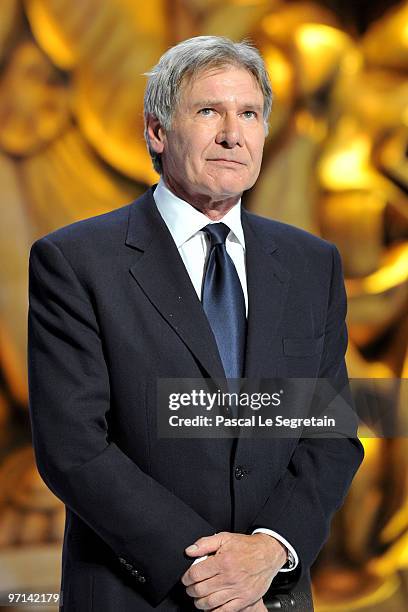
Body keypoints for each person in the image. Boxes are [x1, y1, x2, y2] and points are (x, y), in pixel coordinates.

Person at [27, 36, 364, 611]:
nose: (233, 133)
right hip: (137, 595)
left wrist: (269, 552)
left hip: (270, 595)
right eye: (210, 110)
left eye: (250, 114)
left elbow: (329, 436)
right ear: (157, 131)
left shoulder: (313, 265)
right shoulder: (75, 261)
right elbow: (75, 448)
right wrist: (216, 574)